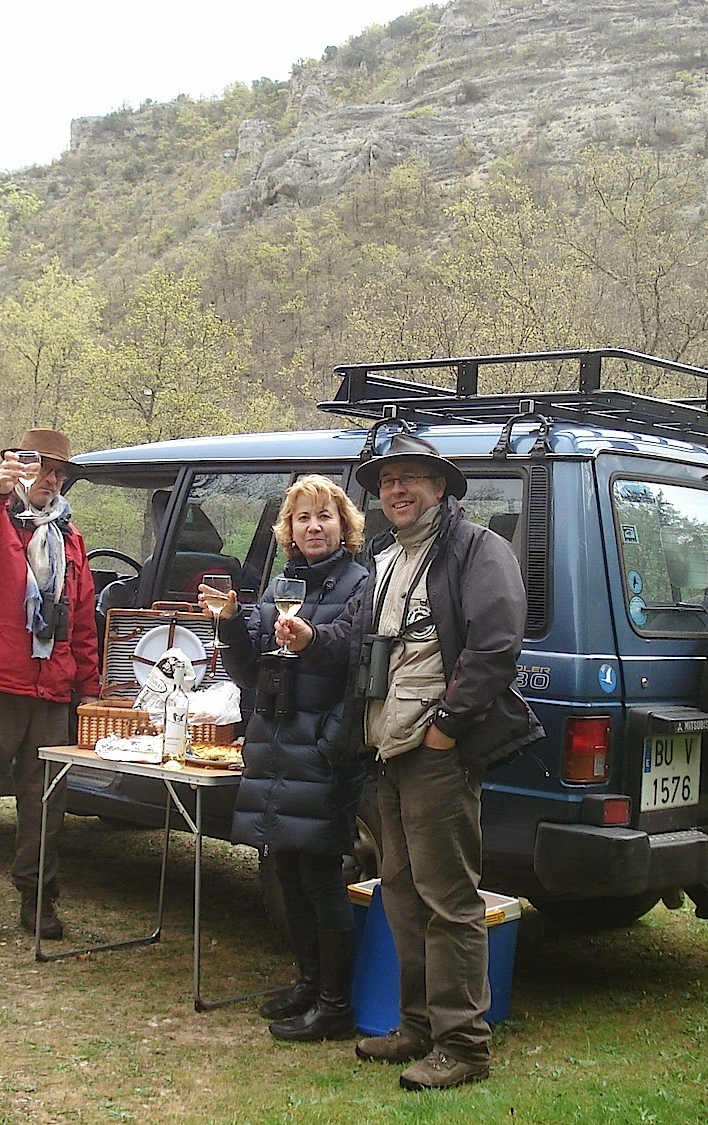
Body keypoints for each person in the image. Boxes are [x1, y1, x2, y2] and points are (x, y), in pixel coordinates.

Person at [274, 433, 541, 1091]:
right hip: (387, 753)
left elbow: (495, 647)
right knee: (400, 894)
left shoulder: (478, 550)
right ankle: (417, 1027)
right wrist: (308, 638)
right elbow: (350, 643)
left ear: (438, 487)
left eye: (411, 477)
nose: (397, 489)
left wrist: (447, 729)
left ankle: (463, 1045)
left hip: (435, 756)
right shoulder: (387, 559)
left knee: (448, 899)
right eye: (388, 480)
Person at [209, 475, 369, 1042]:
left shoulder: (361, 585)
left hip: (323, 752)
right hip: (276, 748)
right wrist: (231, 622)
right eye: (303, 518)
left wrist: (329, 741)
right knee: (284, 872)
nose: (314, 527)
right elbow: (247, 671)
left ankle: (335, 1004)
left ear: (344, 526)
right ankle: (308, 982)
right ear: (289, 530)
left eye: (325, 516)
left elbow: (354, 662)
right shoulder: (282, 584)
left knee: (321, 877)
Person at [0, 428, 100, 945]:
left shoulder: (69, 537)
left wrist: (90, 687)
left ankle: (38, 896)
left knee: (46, 801)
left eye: (57, 473)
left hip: (51, 686)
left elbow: (82, 621)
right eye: (40, 469)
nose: (49, 480)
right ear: (19, 470)